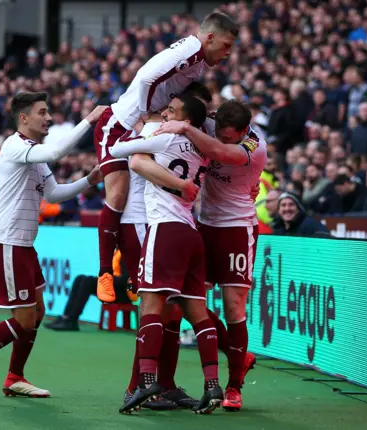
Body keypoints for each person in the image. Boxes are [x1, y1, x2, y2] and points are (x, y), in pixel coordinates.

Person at [0, 92, 105, 401]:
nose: (49, 118)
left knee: (38, 311)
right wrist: (89, 119)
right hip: (6, 243)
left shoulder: (34, 155)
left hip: (23, 245)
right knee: (24, 319)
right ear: (23, 119)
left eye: (48, 112)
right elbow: (57, 151)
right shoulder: (15, 146)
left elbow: (54, 196)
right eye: (42, 112)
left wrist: (90, 179)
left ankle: (15, 376)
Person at [94, 12, 238, 304]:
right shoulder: (189, 51)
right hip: (120, 124)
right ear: (210, 37)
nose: (227, 53)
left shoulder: (196, 60)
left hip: (142, 125)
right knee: (119, 195)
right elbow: (147, 76)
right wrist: (147, 113)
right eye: (225, 45)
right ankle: (105, 272)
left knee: (138, 198)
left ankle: (137, 274)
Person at [111, 94, 224, 414]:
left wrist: (147, 131)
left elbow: (120, 152)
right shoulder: (203, 149)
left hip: (165, 227)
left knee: (150, 304)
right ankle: (213, 385)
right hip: (191, 232)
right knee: (198, 313)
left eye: (172, 111)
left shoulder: (163, 136)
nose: (165, 114)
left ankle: (147, 382)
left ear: (185, 121)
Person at [156, 99, 267, 411]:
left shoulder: (255, 145)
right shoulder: (211, 125)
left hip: (237, 227)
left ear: (244, 131)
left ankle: (234, 386)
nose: (221, 139)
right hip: (203, 225)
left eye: (229, 136)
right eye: (219, 133)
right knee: (185, 304)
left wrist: (187, 127)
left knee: (234, 308)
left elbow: (220, 153)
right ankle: (173, 380)